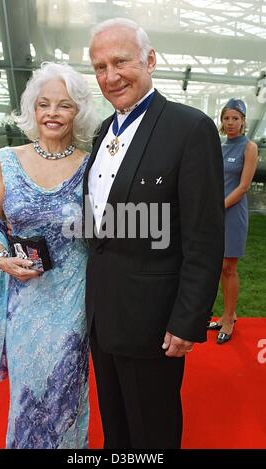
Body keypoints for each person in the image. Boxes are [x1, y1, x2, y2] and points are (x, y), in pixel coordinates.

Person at [83, 18, 225, 449]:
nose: (111, 76)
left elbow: (204, 238)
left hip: (154, 322)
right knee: (117, 429)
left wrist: (188, 320)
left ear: (149, 60)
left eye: (121, 61)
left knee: (152, 434)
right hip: (102, 315)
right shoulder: (101, 132)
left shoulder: (190, 128)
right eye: (100, 67)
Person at [0, 62, 99, 449]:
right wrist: (1, 257)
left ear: (78, 112)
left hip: (73, 301)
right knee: (26, 398)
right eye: (44, 104)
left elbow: (105, 230)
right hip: (24, 301)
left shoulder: (91, 166)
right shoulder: (7, 159)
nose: (52, 113)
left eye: (63, 105)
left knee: (64, 395)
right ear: (32, 108)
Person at [207, 98, 258, 344]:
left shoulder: (249, 147)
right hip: (216, 212)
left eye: (235, 118)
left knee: (229, 267)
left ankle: (228, 319)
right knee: (217, 267)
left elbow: (244, 186)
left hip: (233, 214)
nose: (230, 123)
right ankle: (230, 313)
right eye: (226, 118)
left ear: (243, 121)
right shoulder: (219, 146)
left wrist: (218, 207)